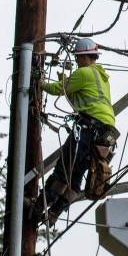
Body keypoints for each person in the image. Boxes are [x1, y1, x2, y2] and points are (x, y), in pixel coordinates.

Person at [36, 37, 119, 223]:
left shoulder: (84, 73)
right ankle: (54, 213)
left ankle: (38, 206)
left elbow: (59, 89)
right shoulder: (101, 76)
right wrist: (69, 85)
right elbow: (77, 99)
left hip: (89, 128)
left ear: (83, 57)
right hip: (105, 134)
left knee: (64, 169)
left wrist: (39, 81)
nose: (76, 61)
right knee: (76, 175)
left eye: (77, 58)